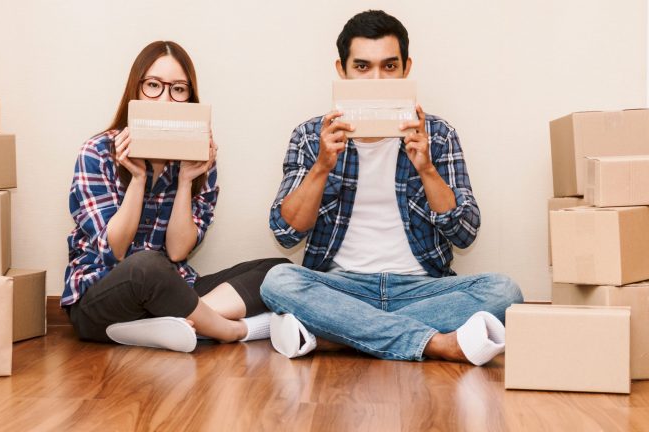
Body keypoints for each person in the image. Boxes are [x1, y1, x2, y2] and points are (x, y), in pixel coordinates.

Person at [261, 11, 523, 365]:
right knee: (278, 281)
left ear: (405, 69)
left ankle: (339, 338)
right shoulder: (311, 136)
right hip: (341, 289)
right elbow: (286, 233)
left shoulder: (438, 134)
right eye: (363, 67)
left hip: (421, 289)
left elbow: (465, 234)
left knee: (505, 291)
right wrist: (322, 166)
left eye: (388, 67)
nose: (376, 80)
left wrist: (427, 169)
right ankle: (437, 344)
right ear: (342, 71)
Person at [63, 41, 289, 352]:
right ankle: (230, 330)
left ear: (190, 99)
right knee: (147, 266)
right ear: (136, 90)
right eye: (153, 86)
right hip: (102, 297)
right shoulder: (98, 152)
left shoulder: (197, 162)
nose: (166, 99)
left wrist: (185, 181)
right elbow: (114, 249)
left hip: (173, 285)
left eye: (179, 90)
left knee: (277, 269)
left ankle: (170, 323)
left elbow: (178, 251)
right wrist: (138, 178)